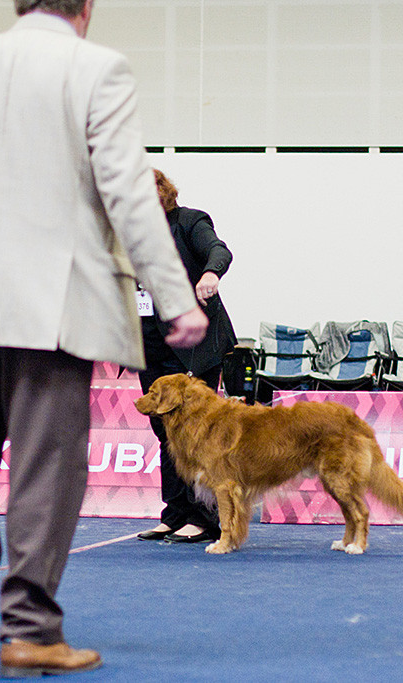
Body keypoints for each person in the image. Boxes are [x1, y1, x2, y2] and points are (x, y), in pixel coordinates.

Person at [0, 1, 207, 677]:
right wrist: (175, 298)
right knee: (46, 465)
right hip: (56, 303)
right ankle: (29, 627)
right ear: (85, 8)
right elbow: (129, 193)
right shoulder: (97, 68)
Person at [135, 169, 237, 545]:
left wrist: (211, 273)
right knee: (165, 433)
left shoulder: (190, 221)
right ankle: (175, 513)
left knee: (200, 436)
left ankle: (207, 518)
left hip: (194, 343)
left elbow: (219, 250)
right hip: (150, 343)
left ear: (163, 192)